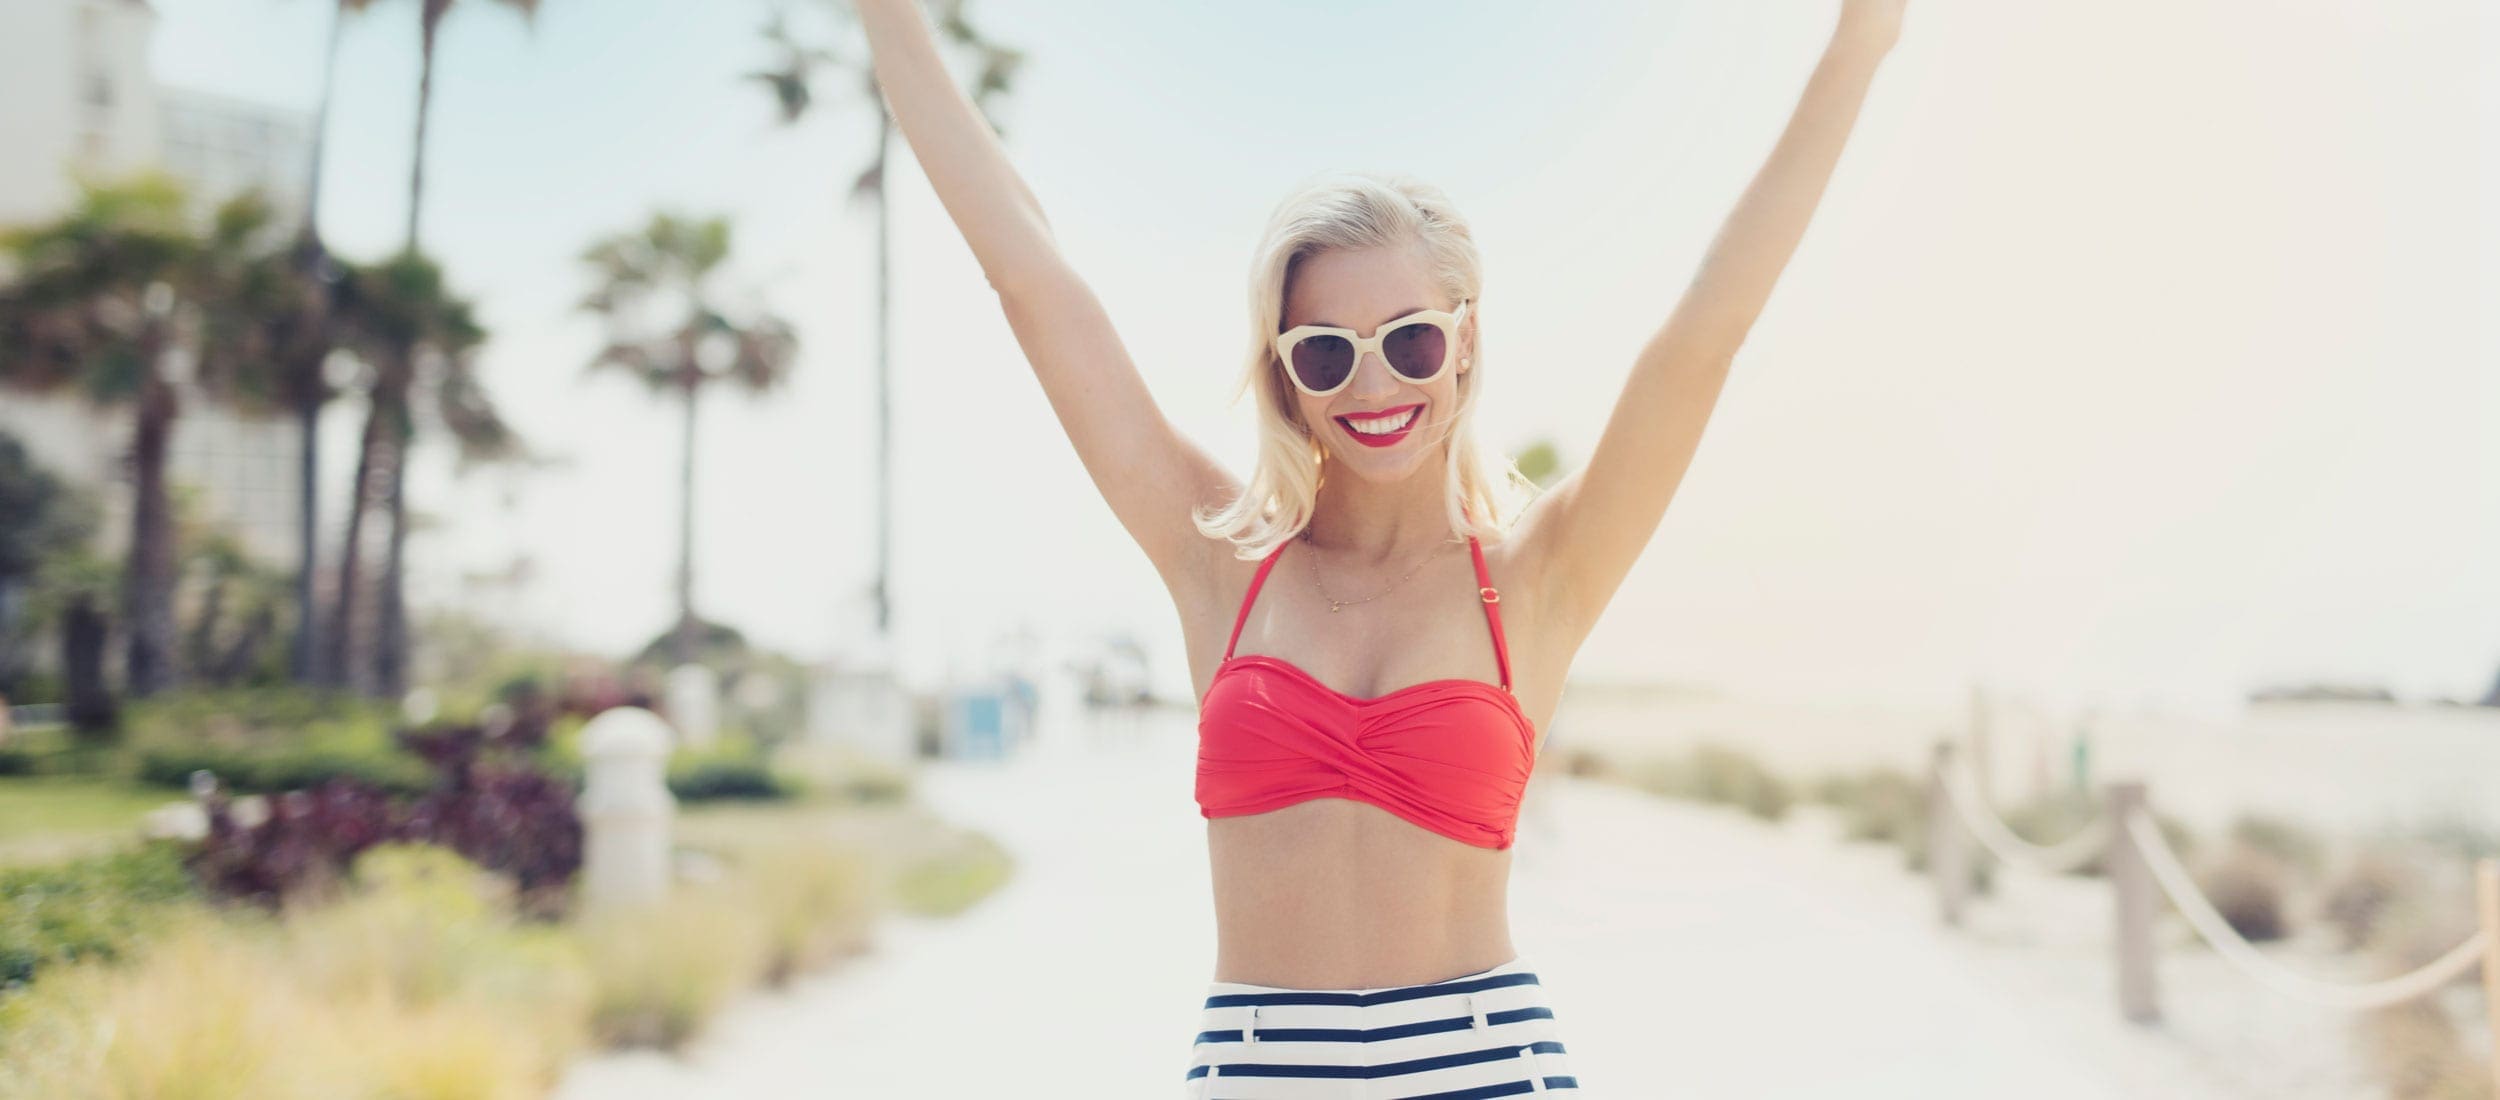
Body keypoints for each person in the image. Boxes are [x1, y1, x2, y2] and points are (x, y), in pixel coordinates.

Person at [858, 1, 1907, 1093]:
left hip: (1484, 1066)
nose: (1373, 384)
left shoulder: (1538, 576)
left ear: (1462, 342)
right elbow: (1032, 281)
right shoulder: (1218, 558)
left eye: (1409, 339)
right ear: (1284, 374)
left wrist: (1858, 44)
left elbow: (1705, 331)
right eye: (1325, 352)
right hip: (1264, 1069)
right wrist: (889, 18)